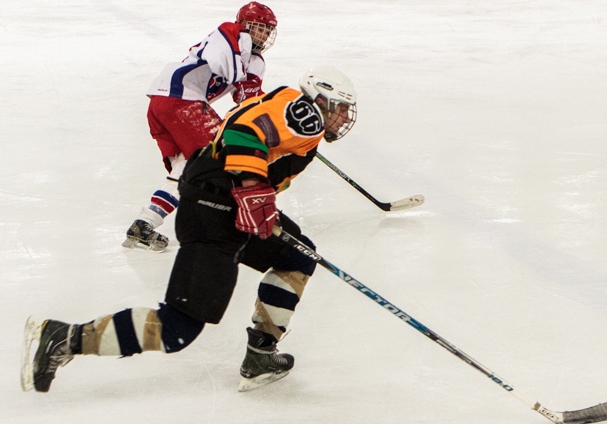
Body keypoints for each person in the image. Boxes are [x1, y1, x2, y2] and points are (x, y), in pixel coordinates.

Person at [22, 66, 358, 393]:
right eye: (340, 109)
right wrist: (252, 187)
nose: (343, 118)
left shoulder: (294, 113)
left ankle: (260, 355)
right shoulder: (305, 115)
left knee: (298, 255)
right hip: (213, 207)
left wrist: (256, 195)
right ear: (321, 100)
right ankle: (62, 338)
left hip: (224, 203)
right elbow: (242, 131)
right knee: (176, 329)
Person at [123, 1, 278, 252]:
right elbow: (224, 61)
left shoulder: (255, 60)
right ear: (246, 24)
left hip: (165, 104)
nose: (264, 34)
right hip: (181, 99)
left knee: (188, 167)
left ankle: (145, 222)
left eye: (268, 30)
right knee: (220, 159)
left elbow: (248, 100)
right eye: (260, 28)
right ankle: (238, 220)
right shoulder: (233, 33)